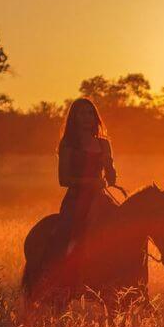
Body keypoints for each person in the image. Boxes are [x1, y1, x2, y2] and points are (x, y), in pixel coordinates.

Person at [56, 97, 118, 256]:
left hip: (99, 197)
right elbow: (63, 180)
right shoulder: (68, 144)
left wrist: (109, 165)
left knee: (122, 224)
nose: (87, 117)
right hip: (76, 199)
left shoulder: (104, 143)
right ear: (74, 118)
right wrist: (91, 182)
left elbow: (111, 179)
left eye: (90, 113)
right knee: (68, 234)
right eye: (82, 114)